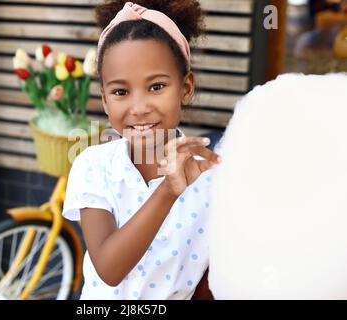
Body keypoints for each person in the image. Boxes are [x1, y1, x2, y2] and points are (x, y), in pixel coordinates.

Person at [62, 0, 221, 300]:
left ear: (185, 87)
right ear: (105, 100)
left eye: (157, 86)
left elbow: (209, 282)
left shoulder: (212, 179)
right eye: (121, 92)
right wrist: (168, 191)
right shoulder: (93, 166)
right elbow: (109, 268)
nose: (139, 108)